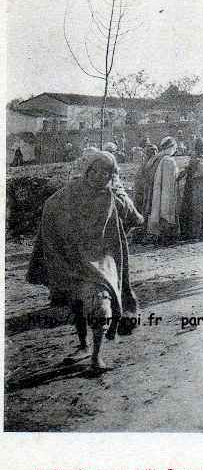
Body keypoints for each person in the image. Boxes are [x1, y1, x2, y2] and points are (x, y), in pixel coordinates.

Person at [26, 150, 143, 372]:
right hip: (74, 260)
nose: (102, 177)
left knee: (101, 305)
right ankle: (83, 345)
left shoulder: (112, 195)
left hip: (102, 260)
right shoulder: (68, 194)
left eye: (108, 174)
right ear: (88, 171)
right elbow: (50, 209)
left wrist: (121, 211)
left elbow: (134, 217)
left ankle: (96, 357)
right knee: (77, 303)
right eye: (98, 172)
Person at [142, 137, 180, 246]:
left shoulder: (155, 158)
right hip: (164, 191)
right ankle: (165, 236)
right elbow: (169, 182)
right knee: (164, 211)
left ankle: (154, 234)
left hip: (153, 190)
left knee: (154, 211)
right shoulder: (168, 160)